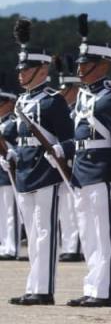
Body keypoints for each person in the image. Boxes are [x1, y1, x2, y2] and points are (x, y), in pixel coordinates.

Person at [5, 20, 74, 306]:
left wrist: (58, 149)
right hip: (24, 172)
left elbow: (71, 140)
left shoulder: (52, 101)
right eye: (20, 69)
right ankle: (34, 284)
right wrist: (13, 154)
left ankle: (44, 290)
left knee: (44, 231)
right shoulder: (22, 102)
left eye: (26, 69)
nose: (21, 74)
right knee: (32, 234)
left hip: (46, 173)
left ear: (42, 70)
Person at [65, 14, 111, 308]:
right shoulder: (84, 97)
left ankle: (104, 291)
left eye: (85, 64)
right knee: (88, 233)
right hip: (81, 170)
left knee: (104, 234)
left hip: (102, 170)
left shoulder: (110, 96)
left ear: (102, 65)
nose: (80, 69)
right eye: (79, 64)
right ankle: (91, 286)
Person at [54, 55, 84, 263]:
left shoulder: (79, 111)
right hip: (62, 163)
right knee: (66, 209)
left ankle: (77, 246)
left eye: (66, 90)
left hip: (77, 163)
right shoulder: (62, 112)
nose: (62, 94)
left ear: (74, 90)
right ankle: (69, 245)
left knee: (77, 207)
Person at [0, 75, 21, 261]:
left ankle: (12, 247)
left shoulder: (12, 124)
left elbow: (18, 148)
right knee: (2, 212)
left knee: (10, 212)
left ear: (9, 103)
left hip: (9, 174)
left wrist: (10, 154)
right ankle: (4, 244)